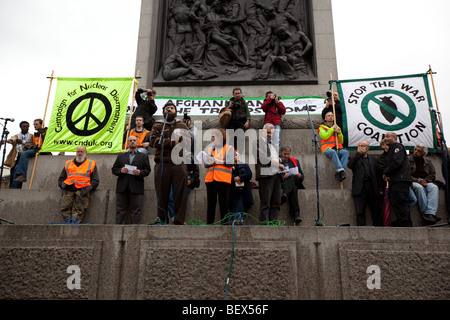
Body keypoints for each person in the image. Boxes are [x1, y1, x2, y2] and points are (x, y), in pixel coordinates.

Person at [150, 102, 190, 225]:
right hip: (162, 162)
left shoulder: (182, 125)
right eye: (167, 108)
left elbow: (188, 142)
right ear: (163, 111)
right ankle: (162, 219)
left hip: (179, 162)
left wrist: (181, 139)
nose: (169, 110)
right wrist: (172, 142)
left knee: (180, 194)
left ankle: (178, 220)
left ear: (175, 111)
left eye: (172, 108)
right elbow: (153, 141)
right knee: (162, 193)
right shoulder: (158, 125)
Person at [112, 135, 151, 224]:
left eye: (134, 140)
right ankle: (119, 228)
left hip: (137, 186)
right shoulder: (121, 156)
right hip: (122, 187)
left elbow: (147, 170)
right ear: (128, 143)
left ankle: (135, 231)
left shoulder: (143, 156)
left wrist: (140, 172)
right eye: (130, 140)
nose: (132, 142)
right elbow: (114, 169)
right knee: (120, 210)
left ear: (137, 143)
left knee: (136, 211)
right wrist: (120, 170)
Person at [58, 146, 99, 223]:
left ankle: (74, 224)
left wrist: (88, 188)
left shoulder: (91, 164)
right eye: (78, 151)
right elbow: (61, 178)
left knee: (79, 209)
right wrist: (63, 185)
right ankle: (66, 223)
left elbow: (96, 181)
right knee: (64, 207)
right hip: (68, 189)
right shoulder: (68, 163)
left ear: (85, 153)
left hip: (82, 191)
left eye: (82, 152)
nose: (80, 153)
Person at [254, 123, 285, 222]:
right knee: (265, 202)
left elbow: (281, 158)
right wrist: (275, 161)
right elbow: (261, 157)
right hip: (265, 175)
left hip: (276, 176)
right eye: (267, 132)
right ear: (262, 132)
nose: (269, 135)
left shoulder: (273, 145)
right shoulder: (257, 143)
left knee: (276, 201)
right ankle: (264, 224)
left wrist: (278, 161)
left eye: (271, 133)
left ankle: (274, 223)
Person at [347, 140, 382, 226]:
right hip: (360, 187)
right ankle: (361, 228)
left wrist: (380, 188)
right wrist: (358, 154)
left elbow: (378, 175)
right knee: (360, 210)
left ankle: (378, 227)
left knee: (376, 209)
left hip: (372, 186)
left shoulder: (373, 160)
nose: (361, 148)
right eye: (359, 146)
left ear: (367, 148)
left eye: (363, 146)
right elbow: (350, 165)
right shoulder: (354, 158)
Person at [204, 128, 235, 224]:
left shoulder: (229, 148)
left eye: (214, 136)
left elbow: (231, 162)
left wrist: (218, 161)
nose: (212, 139)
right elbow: (205, 164)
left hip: (223, 179)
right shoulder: (209, 149)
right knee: (210, 204)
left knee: (223, 203)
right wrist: (211, 162)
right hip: (210, 179)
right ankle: (209, 224)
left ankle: (224, 224)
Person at [382, 132, 413, 227]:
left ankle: (405, 224)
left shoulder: (397, 147)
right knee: (397, 202)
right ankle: (402, 222)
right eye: (385, 137)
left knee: (401, 202)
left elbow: (397, 162)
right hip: (396, 180)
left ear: (395, 138)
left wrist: (386, 172)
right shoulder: (391, 149)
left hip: (401, 180)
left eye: (388, 136)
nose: (385, 138)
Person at [409, 143, 441, 224]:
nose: (415, 152)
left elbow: (432, 174)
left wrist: (425, 181)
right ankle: (425, 214)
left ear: (423, 153)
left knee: (434, 187)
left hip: (425, 180)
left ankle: (430, 213)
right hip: (413, 181)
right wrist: (418, 181)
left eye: (418, 151)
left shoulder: (428, 161)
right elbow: (406, 174)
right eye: (415, 149)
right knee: (419, 188)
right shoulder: (408, 159)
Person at [10, 119, 47, 188]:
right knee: (17, 167)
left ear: (41, 125)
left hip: (42, 151)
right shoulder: (34, 135)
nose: (34, 126)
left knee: (24, 154)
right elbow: (28, 144)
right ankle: (14, 188)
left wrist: (43, 134)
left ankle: (23, 175)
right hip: (35, 149)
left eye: (36, 124)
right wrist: (33, 146)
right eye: (34, 124)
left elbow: (48, 142)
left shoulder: (47, 132)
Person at [318, 111, 349, 182]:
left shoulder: (337, 128)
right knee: (332, 152)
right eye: (328, 115)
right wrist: (332, 129)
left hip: (337, 148)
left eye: (332, 115)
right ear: (325, 118)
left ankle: (340, 171)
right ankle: (341, 171)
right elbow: (325, 137)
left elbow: (342, 141)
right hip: (327, 149)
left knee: (346, 152)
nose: (330, 116)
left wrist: (339, 133)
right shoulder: (321, 127)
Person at [280, 146, 304, 225]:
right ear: (281, 153)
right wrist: (283, 177)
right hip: (284, 182)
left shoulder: (295, 161)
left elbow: (302, 176)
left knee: (293, 177)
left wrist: (300, 176)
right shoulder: (278, 162)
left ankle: (285, 193)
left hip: (295, 179)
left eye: (288, 154)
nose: (286, 156)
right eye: (284, 154)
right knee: (293, 188)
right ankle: (296, 214)